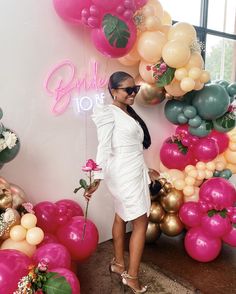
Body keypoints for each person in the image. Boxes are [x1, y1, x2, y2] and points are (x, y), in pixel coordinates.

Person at [85, 71, 156, 293]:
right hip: (123, 173)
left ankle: (118, 264)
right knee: (141, 223)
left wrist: (146, 169)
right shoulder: (107, 113)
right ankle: (132, 277)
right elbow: (104, 147)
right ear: (113, 91)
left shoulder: (127, 112)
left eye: (135, 89)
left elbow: (133, 146)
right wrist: (96, 177)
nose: (133, 93)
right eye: (128, 90)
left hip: (133, 170)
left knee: (120, 215)